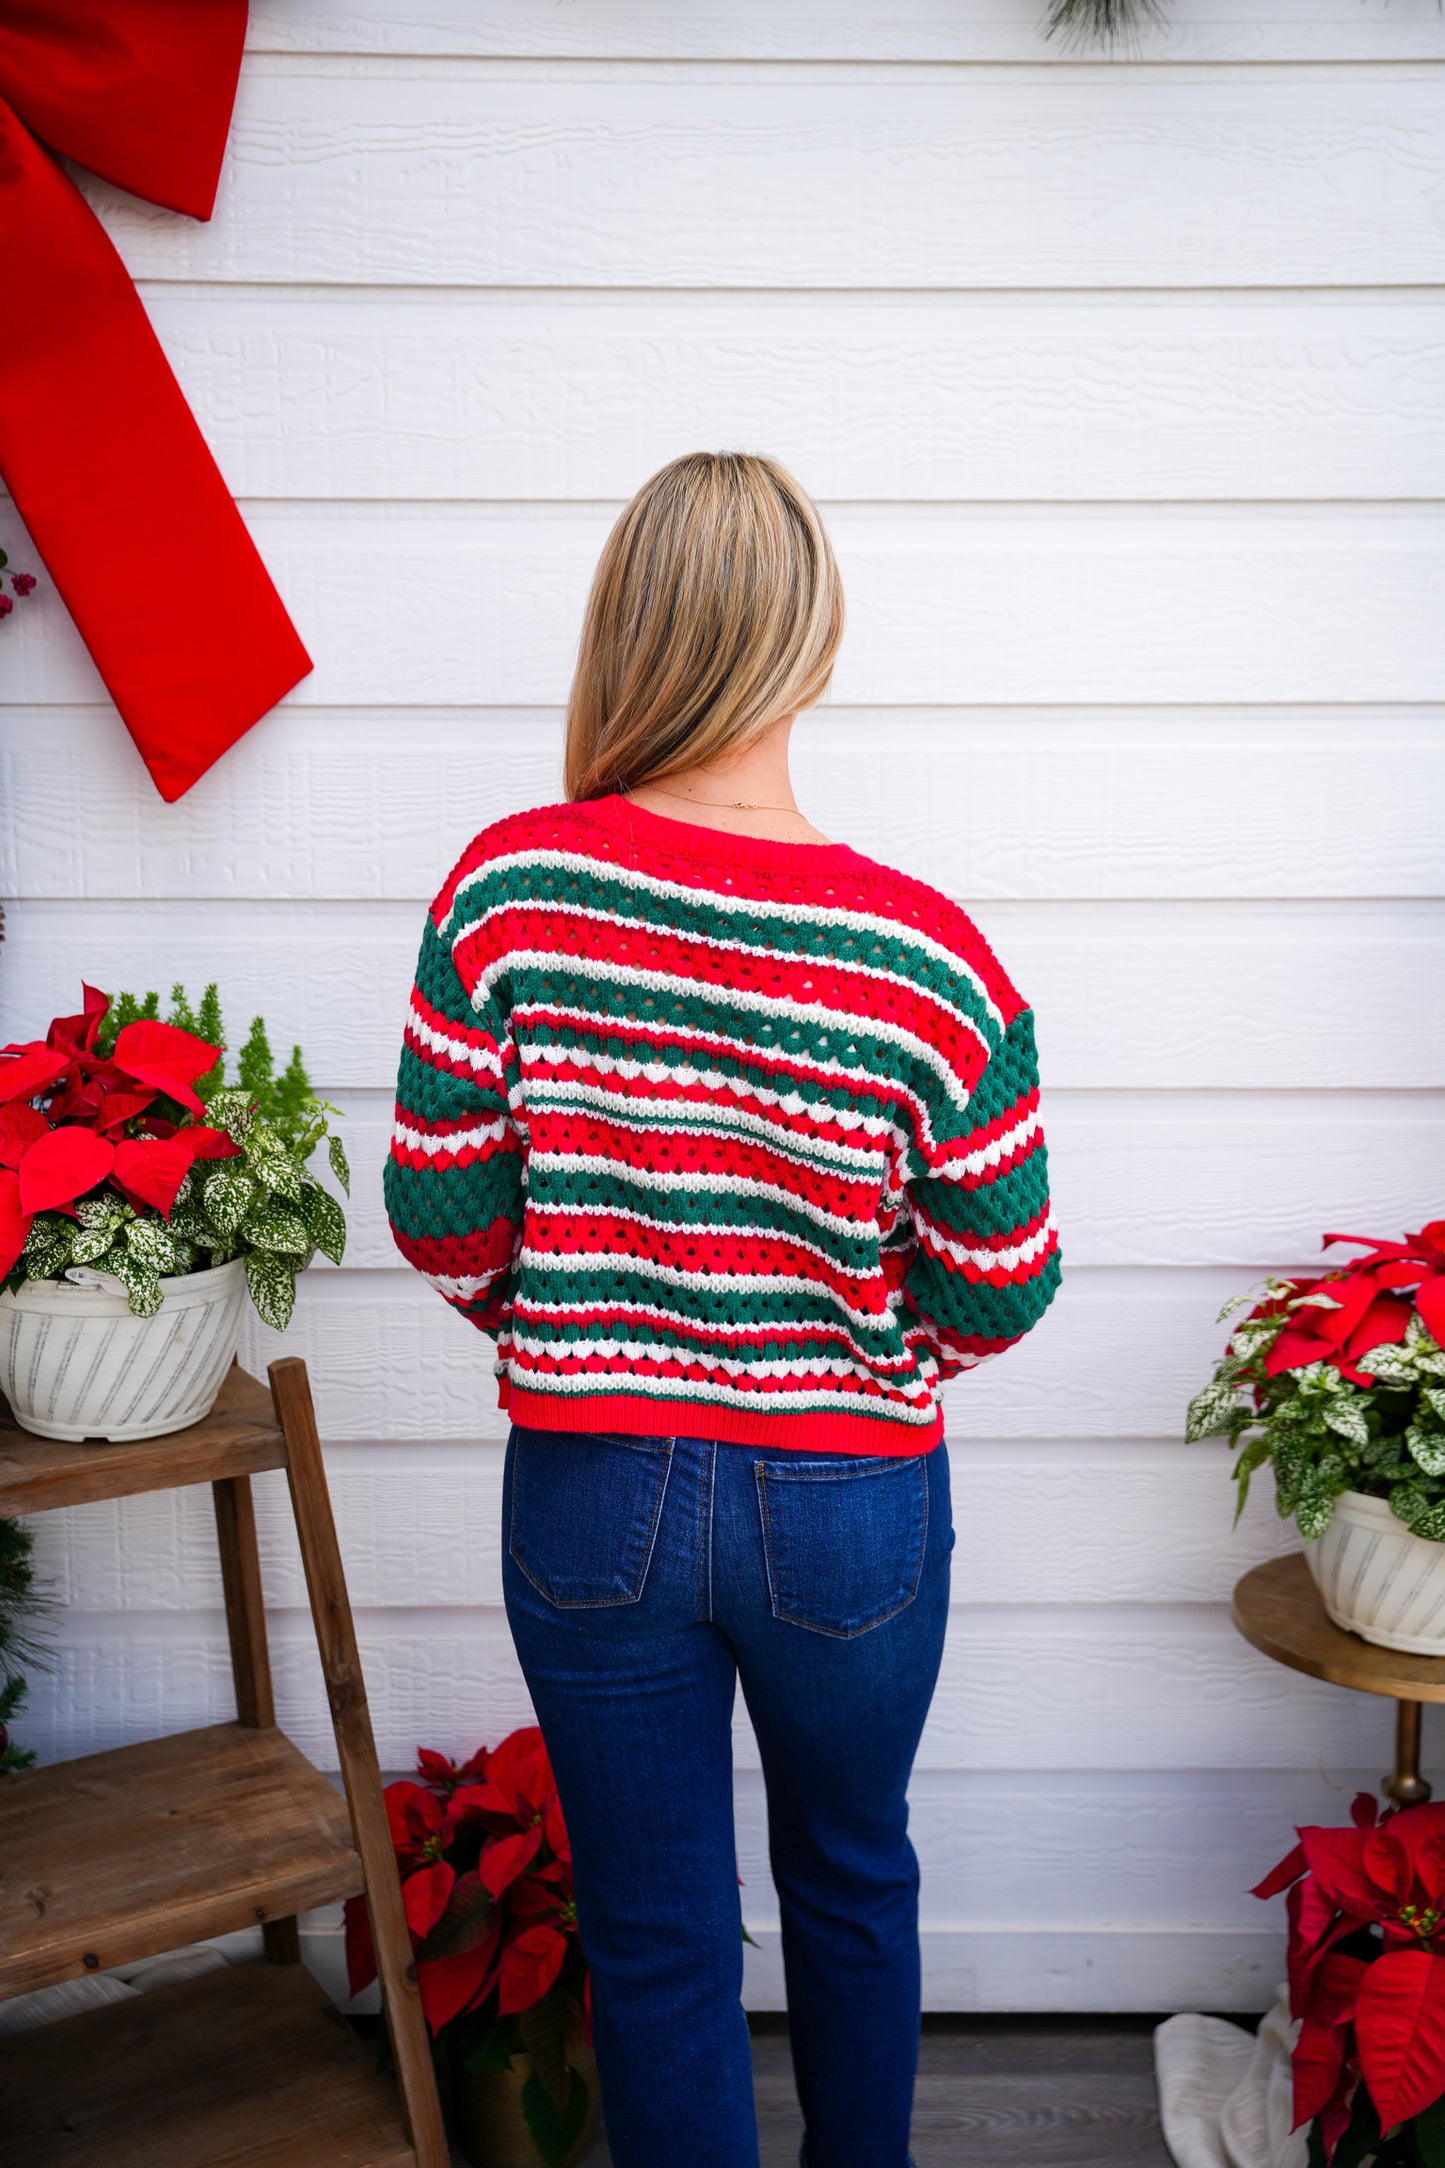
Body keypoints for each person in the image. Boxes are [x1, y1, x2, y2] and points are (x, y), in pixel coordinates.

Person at [384, 451, 1061, 2168]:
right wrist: (863, 1348)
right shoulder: (929, 956)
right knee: (852, 1876)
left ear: (627, 631)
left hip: (592, 1480)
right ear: (810, 643)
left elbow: (439, 1214)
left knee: (655, 1934)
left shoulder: (508, 894)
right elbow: (1001, 1281)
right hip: (851, 1507)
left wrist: (577, 1317)